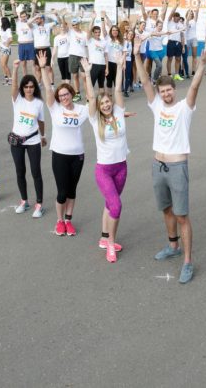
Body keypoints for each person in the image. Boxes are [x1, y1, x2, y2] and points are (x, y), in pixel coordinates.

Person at [134, 32, 206, 285]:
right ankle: (173, 246)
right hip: (158, 165)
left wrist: (202, 63)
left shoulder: (184, 108)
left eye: (169, 90)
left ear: (174, 90)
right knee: (166, 209)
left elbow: (195, 86)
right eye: (162, 91)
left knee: (182, 216)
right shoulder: (156, 105)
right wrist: (136, 54)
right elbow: (145, 81)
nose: (166, 94)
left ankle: (188, 261)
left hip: (178, 165)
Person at [38, 51, 89, 236]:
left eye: (66, 94)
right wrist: (43, 68)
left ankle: (69, 220)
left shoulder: (82, 110)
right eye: (61, 96)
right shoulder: (55, 109)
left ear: (71, 94)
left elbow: (99, 110)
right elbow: (47, 88)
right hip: (59, 154)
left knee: (72, 191)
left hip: (78, 156)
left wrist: (88, 74)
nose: (64, 98)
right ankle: (59, 221)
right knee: (61, 192)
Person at [83, 53, 128, 263]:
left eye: (108, 102)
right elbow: (91, 97)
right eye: (104, 104)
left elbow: (118, 88)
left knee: (111, 205)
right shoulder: (94, 120)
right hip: (104, 170)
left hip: (121, 167)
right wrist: (87, 72)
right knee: (116, 206)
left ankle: (104, 238)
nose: (107, 105)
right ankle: (111, 243)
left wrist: (120, 66)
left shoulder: (119, 112)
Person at [9, 59, 46, 218]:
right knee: (20, 171)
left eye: (31, 87)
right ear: (22, 88)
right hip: (16, 141)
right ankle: (24, 201)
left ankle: (39, 204)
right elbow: (13, 86)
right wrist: (15, 69)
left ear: (34, 88)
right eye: (26, 86)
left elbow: (41, 121)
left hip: (33, 141)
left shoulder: (38, 103)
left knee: (36, 172)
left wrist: (43, 136)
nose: (29, 89)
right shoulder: (17, 100)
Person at [10, 0, 35, 75]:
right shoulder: (18, 23)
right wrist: (12, 5)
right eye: (22, 17)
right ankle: (25, 78)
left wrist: (34, 3)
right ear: (20, 17)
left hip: (30, 44)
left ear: (27, 16)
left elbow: (33, 13)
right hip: (21, 45)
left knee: (33, 64)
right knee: (23, 64)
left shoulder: (30, 22)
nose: (24, 18)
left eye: (25, 16)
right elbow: (14, 13)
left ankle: (35, 80)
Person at [67, 15, 88, 101]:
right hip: (73, 55)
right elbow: (63, 24)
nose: (75, 26)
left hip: (82, 56)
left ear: (79, 24)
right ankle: (77, 94)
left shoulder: (84, 34)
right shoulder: (71, 32)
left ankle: (88, 95)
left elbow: (87, 47)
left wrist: (87, 57)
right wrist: (62, 16)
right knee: (75, 75)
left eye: (76, 24)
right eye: (73, 25)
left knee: (84, 76)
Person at [0, 5, 13, 85]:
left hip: (6, 49)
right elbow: (1, 17)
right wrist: (0, 9)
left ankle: (11, 79)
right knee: (2, 65)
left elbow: (11, 39)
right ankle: (6, 79)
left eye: (2, 21)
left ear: (4, 23)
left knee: (4, 64)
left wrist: (6, 44)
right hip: (1, 48)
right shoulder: (3, 28)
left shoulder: (8, 30)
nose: (0, 22)